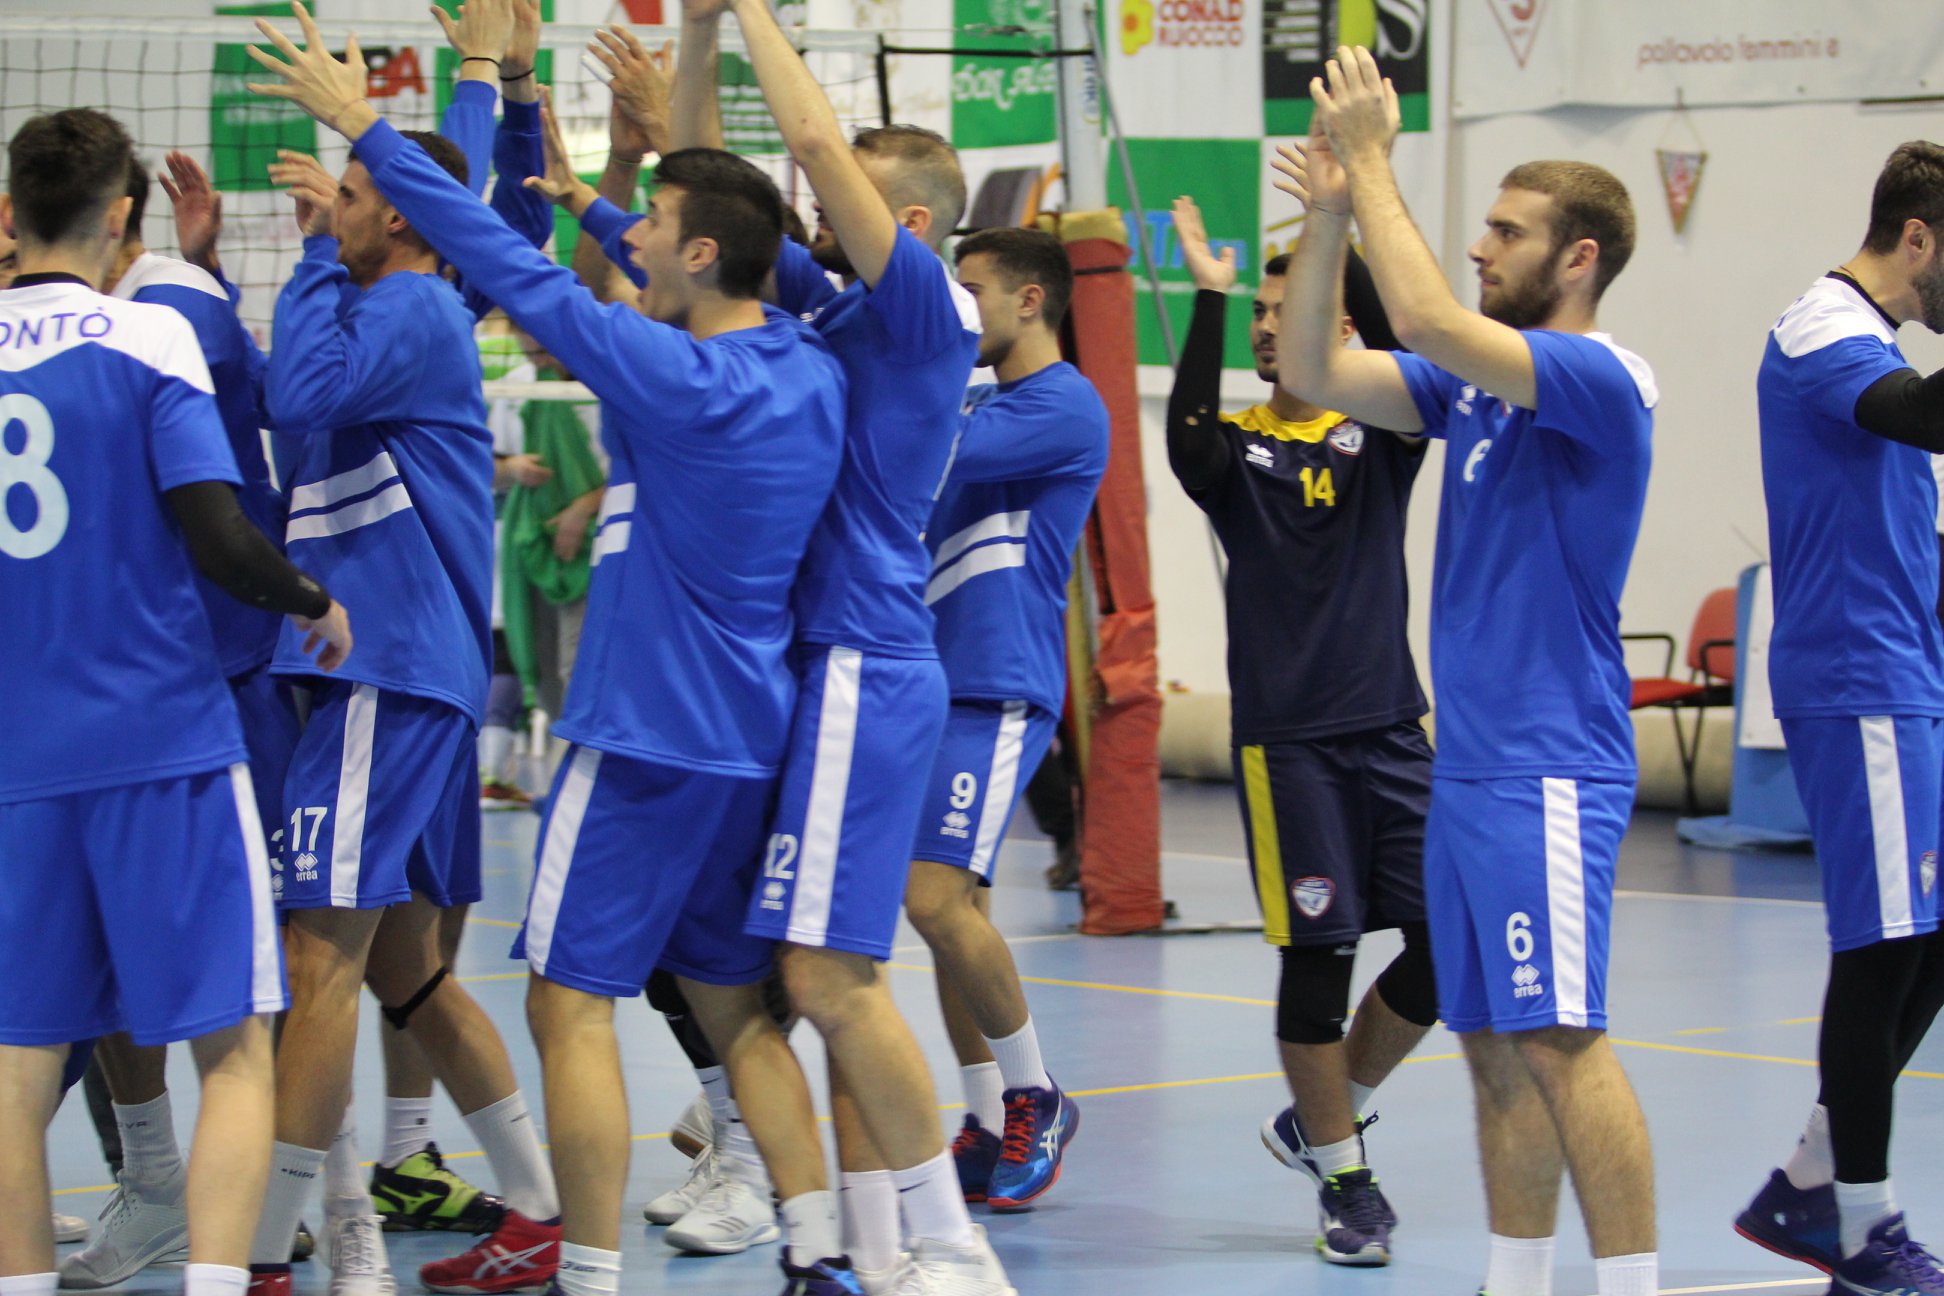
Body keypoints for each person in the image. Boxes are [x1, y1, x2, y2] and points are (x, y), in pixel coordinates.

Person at [247, 9, 850, 1296]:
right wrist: (567, 140)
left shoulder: (666, 377)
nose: (623, 241)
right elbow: (718, 227)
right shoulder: (807, 366)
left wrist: (378, 123)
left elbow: (497, 263)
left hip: (638, 733)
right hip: (751, 732)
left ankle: (579, 1267)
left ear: (693, 254)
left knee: (565, 1006)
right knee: (740, 1012)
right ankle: (823, 1249)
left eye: (646, 230)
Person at [616, 1, 1012, 1291]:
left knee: (831, 979)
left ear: (897, 227)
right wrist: (692, 36)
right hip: (809, 670)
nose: (808, 216)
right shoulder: (832, 309)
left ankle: (949, 1247)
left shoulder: (923, 311)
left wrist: (753, 15)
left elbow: (807, 136)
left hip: (862, 659)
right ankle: (870, 1241)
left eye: (837, 204)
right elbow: (704, 181)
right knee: (802, 981)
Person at [1275, 47, 1658, 1296]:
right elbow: (1314, 375)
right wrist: (1330, 212)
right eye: (1482, 227)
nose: (1483, 248)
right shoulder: (1474, 396)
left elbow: (1432, 316)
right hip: (1475, 767)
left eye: (1507, 230)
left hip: (1553, 763)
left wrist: (1378, 160)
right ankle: (1517, 1278)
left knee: (1563, 1043)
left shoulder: (1600, 380)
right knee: (1493, 1045)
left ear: (1580, 258)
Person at [237, 12, 567, 1296]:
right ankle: (535, 1204)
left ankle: (268, 1255)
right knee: (401, 969)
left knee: (318, 960)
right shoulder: (411, 291)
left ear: (404, 222)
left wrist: (324, 246)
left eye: (363, 189)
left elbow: (296, 397)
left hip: (387, 673)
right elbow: (491, 218)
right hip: (362, 675)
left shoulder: (410, 308)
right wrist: (491, 93)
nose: (340, 194)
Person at [0, 104, 350, 1296]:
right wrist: (310, 593)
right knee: (236, 1044)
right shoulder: (148, 337)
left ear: (7, 215)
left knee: (19, 1059)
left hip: (20, 755)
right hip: (161, 739)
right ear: (121, 222)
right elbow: (218, 533)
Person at [1165, 196, 1439, 1266]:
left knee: (1446, 955)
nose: (1270, 327)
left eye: (1290, 307)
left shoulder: (1384, 434)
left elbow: (1406, 344)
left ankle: (1325, 1112)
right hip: (1293, 751)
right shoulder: (1232, 450)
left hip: (1396, 733)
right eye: (1261, 317)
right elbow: (1185, 434)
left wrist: (1345, 211)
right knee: (1320, 961)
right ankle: (1345, 1180)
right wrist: (1208, 290)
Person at [56, 153, 305, 1294]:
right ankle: (161, 1185)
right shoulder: (131, 314)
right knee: (94, 992)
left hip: (209, 692)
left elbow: (211, 514)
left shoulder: (167, 308)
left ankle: (303, 1206)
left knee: (268, 983)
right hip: (93, 715)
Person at [1734, 139, 1944, 1296]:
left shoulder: (1871, 338)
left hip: (1908, 674)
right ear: (1918, 239)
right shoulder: (1822, 325)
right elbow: (1922, 414)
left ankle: (1815, 1177)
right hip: (1857, 680)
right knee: (1881, 951)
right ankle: (1859, 1228)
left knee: (1932, 936)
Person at [903, 225, 1105, 1212]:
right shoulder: (977, 397)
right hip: (933, 683)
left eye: (969, 289)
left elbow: (930, 447)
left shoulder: (1065, 405)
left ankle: (1035, 1092)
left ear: (1030, 301)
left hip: (997, 686)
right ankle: (987, 1120)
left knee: (933, 901)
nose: (957, 308)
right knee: (954, 920)